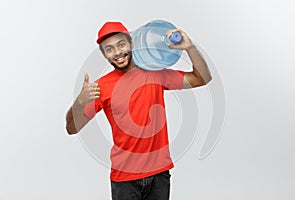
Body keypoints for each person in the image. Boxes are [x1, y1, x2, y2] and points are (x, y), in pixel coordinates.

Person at [66, 21, 212, 200]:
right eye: (109, 49)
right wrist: (79, 102)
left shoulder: (155, 73)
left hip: (159, 174)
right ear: (105, 55)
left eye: (121, 44)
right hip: (125, 180)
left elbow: (203, 78)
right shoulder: (100, 87)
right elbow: (71, 128)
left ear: (132, 43)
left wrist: (190, 48)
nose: (118, 52)